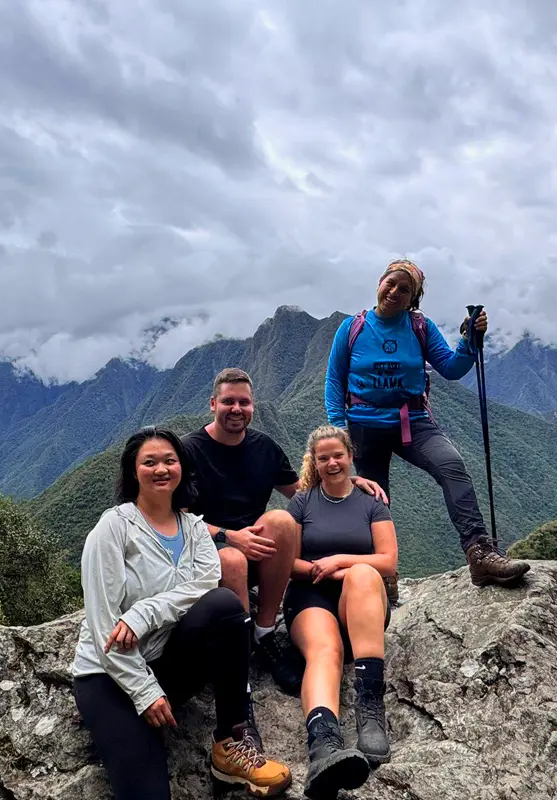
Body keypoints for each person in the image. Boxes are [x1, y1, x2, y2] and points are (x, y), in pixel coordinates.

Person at [71, 426, 293, 799]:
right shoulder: (114, 528)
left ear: (181, 469)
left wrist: (144, 612)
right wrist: (144, 692)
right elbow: (103, 624)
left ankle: (230, 744)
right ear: (132, 472)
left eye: (169, 461)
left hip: (167, 660)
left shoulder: (193, 529)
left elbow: (206, 586)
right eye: (150, 462)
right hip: (110, 675)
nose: (161, 469)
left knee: (225, 607)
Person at [181, 368, 388, 698]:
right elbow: (175, 517)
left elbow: (303, 493)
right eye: (228, 401)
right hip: (204, 556)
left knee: (280, 520)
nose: (237, 409)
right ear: (212, 404)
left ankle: (263, 630)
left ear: (253, 406)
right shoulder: (189, 451)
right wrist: (229, 536)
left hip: (255, 554)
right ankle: (240, 649)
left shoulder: (264, 447)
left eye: (244, 402)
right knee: (233, 558)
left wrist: (348, 481)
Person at [324, 258, 530, 588]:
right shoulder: (352, 328)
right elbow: (334, 380)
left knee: (451, 465)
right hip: (363, 424)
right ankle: (381, 574)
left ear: (413, 298)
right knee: (375, 499)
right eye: (390, 284)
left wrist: (469, 341)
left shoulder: (420, 327)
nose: (394, 292)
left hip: (413, 421)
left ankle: (480, 554)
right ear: (379, 283)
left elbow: (450, 367)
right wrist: (340, 429)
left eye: (404, 289)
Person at [282, 425, 397, 797]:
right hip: (310, 595)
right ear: (314, 463)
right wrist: (319, 569)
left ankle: (369, 709)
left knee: (364, 574)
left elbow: (388, 561)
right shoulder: (302, 502)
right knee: (326, 651)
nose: (332, 463)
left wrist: (339, 563)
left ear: (350, 456)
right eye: (323, 458)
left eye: (338, 455)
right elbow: (291, 562)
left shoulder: (371, 501)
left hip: (359, 601)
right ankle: (323, 744)